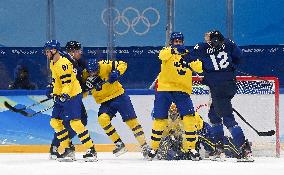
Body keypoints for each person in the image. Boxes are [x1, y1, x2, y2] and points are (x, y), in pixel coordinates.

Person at [192, 30, 254, 162]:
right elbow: (239, 57)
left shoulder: (204, 48)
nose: (206, 38)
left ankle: (245, 149)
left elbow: (190, 57)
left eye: (208, 36)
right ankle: (219, 149)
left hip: (219, 87)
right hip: (229, 85)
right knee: (214, 116)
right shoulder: (228, 43)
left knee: (227, 118)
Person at [147, 32, 203, 161]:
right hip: (165, 89)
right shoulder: (167, 51)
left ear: (183, 42)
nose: (177, 43)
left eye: (179, 41)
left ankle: (191, 148)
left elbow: (199, 68)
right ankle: (153, 148)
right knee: (159, 119)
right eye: (175, 41)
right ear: (171, 42)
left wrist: (188, 56)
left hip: (182, 90)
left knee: (189, 118)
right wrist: (173, 50)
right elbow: (162, 56)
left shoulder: (188, 54)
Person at [43, 40, 97, 162]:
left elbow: (67, 83)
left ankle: (91, 150)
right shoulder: (53, 62)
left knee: (75, 123)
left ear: (54, 50)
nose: (46, 53)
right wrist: (52, 90)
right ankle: (68, 149)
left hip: (72, 95)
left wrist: (64, 94)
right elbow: (57, 80)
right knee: (55, 122)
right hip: (62, 95)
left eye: (48, 51)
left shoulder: (64, 63)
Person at [85, 58, 149, 158]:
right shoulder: (85, 74)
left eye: (95, 71)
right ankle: (119, 143)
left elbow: (123, 63)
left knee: (132, 122)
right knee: (103, 119)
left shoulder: (104, 65)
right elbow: (82, 91)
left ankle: (145, 146)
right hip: (105, 102)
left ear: (98, 67)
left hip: (119, 96)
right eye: (91, 72)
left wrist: (117, 72)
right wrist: (87, 88)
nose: (93, 73)